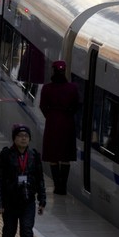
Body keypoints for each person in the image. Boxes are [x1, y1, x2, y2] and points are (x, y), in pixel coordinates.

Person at [0, 124, 46, 237]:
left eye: (26, 136)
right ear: (14, 139)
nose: (23, 138)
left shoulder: (34, 156)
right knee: (9, 231)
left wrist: (42, 200)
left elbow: (40, 179)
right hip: (10, 201)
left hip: (28, 201)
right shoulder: (5, 156)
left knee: (27, 231)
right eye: (20, 136)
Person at [39, 60, 79, 195]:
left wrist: (51, 116)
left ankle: (57, 186)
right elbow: (77, 105)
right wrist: (68, 114)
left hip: (52, 122)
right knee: (66, 156)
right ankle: (64, 186)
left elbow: (43, 106)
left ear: (53, 71)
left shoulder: (47, 88)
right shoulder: (72, 88)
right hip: (68, 123)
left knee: (53, 156)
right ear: (64, 71)